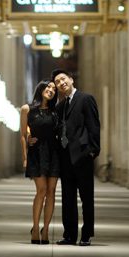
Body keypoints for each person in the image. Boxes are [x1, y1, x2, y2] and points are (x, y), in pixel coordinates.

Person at [51, 68, 100, 246]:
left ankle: (86, 235)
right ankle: (69, 235)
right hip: (65, 159)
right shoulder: (60, 106)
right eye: (57, 82)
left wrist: (93, 151)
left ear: (71, 80)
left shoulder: (86, 99)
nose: (61, 83)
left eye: (63, 79)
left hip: (83, 157)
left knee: (86, 198)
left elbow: (94, 126)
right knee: (68, 198)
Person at [20, 80, 60, 244]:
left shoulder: (55, 111)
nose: (51, 90)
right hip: (37, 153)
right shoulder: (27, 109)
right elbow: (23, 135)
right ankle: (35, 228)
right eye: (48, 87)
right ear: (41, 88)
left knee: (51, 192)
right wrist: (24, 157)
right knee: (41, 190)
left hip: (54, 153)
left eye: (54, 89)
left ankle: (46, 230)